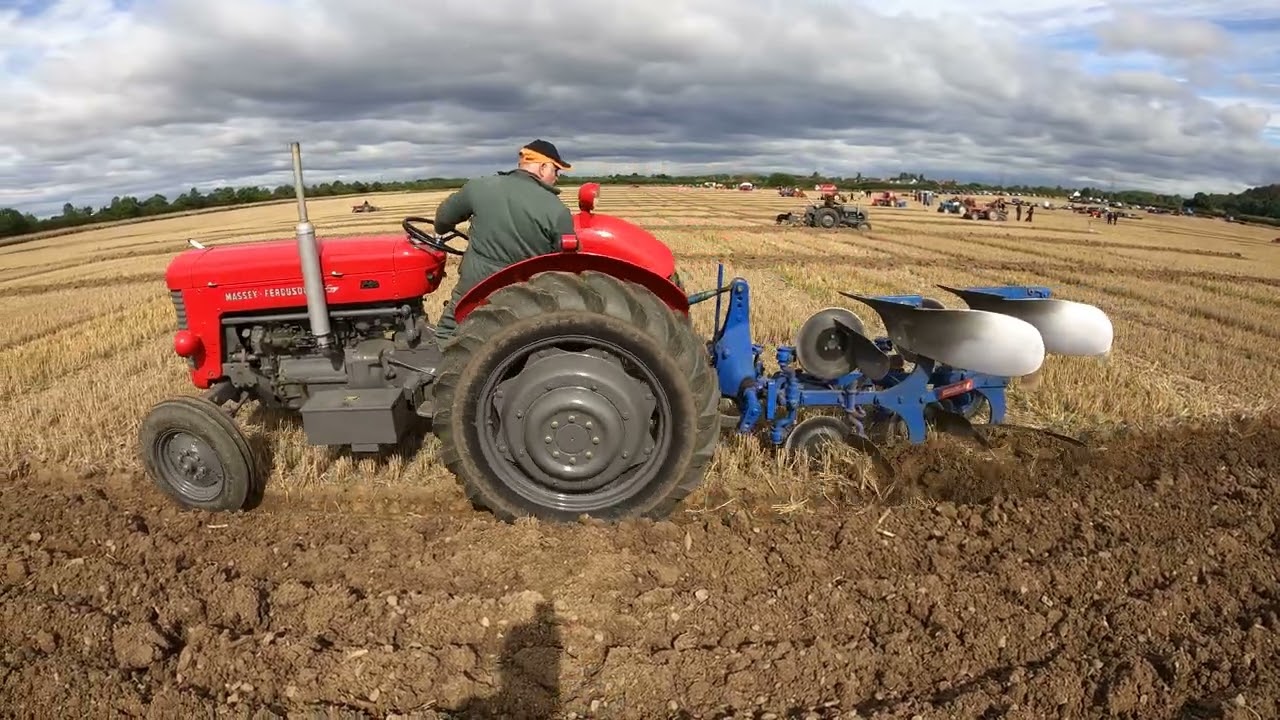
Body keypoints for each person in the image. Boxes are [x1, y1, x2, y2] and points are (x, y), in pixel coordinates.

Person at [430, 139, 577, 343]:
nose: (557, 178)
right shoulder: (558, 211)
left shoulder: (479, 187)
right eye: (557, 171)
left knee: (448, 334)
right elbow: (563, 266)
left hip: (474, 291)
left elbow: (443, 221)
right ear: (543, 168)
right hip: (523, 302)